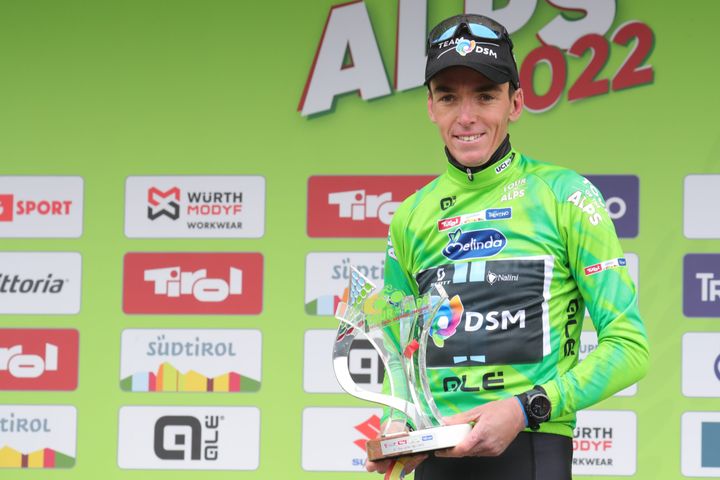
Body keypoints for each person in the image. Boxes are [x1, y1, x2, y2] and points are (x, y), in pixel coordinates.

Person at [368, 13, 649, 480]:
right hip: (435, 458)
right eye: (449, 98)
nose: (467, 117)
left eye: (485, 95)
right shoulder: (411, 217)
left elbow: (629, 347)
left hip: (533, 450)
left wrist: (527, 406)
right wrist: (396, 421)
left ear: (515, 102)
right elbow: (400, 353)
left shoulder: (567, 196)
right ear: (430, 108)